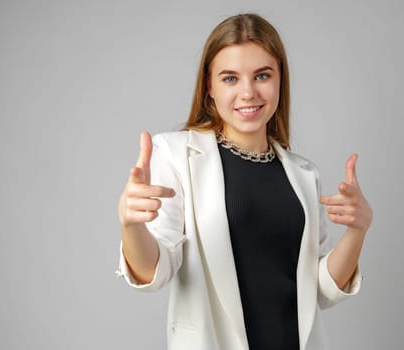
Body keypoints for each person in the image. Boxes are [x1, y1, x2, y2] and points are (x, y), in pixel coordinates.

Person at [116, 13, 373, 350]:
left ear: (280, 80)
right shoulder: (177, 155)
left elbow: (321, 290)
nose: (248, 92)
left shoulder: (303, 174)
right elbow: (154, 272)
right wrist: (130, 225)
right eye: (230, 78)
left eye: (262, 75)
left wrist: (358, 230)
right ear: (209, 86)